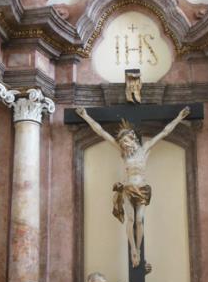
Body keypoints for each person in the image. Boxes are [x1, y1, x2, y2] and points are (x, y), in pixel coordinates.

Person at [75, 106, 190, 267]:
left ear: (133, 138)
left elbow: (164, 132)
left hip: (142, 188)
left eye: (125, 141)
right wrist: (86, 116)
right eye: (121, 143)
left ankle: (139, 249)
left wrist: (179, 117)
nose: (123, 145)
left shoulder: (145, 149)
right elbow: (102, 132)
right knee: (130, 219)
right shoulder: (124, 153)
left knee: (139, 220)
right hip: (128, 188)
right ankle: (133, 249)